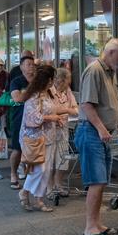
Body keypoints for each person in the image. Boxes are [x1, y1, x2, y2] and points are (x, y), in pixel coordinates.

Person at [75, 39, 118, 235]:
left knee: (101, 181)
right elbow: (87, 105)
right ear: (111, 52)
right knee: (96, 181)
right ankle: (89, 227)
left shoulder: (110, 71)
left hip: (102, 133)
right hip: (91, 132)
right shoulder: (94, 70)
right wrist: (101, 128)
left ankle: (97, 223)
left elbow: (113, 102)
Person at [18, 65, 62, 212]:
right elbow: (33, 118)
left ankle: (39, 199)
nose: (53, 82)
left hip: (49, 136)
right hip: (35, 138)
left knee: (46, 170)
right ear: (46, 80)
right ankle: (24, 192)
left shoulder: (48, 93)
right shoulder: (33, 95)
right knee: (40, 170)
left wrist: (56, 118)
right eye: (51, 79)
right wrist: (52, 117)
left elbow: (52, 111)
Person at [9, 55, 36, 189]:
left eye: (33, 64)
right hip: (20, 118)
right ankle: (13, 173)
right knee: (17, 148)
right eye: (28, 64)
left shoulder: (38, 81)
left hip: (36, 120)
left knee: (35, 148)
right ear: (21, 67)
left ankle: (32, 175)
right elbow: (18, 98)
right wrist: (32, 92)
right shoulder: (16, 81)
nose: (31, 66)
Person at [51, 67, 78, 196]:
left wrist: (70, 109)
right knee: (50, 160)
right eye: (68, 80)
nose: (70, 82)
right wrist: (67, 110)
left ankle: (59, 185)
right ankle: (49, 188)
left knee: (63, 159)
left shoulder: (67, 91)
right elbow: (49, 109)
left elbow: (75, 106)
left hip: (64, 128)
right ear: (61, 80)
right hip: (51, 129)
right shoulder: (49, 90)